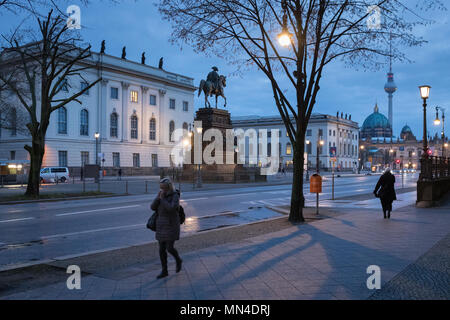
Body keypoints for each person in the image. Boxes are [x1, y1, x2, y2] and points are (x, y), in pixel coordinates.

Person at [151, 177, 182, 279]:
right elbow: (152, 207)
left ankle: (178, 259)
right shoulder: (161, 194)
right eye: (161, 187)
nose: (162, 189)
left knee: (169, 248)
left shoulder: (175, 195)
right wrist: (158, 198)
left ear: (169, 187)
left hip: (171, 224)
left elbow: (171, 208)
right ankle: (164, 271)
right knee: (161, 249)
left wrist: (163, 199)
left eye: (164, 187)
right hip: (161, 225)